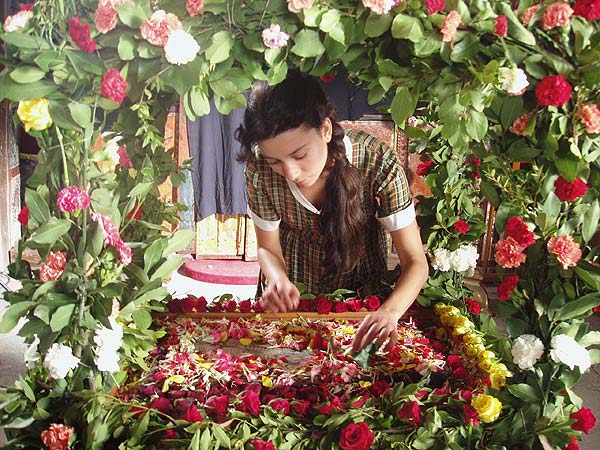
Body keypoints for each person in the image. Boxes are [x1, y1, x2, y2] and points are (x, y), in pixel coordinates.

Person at [236, 71, 428, 353]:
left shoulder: (377, 161)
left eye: (300, 155)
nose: (290, 172)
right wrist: (277, 278)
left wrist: (390, 312)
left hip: (362, 299)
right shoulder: (259, 170)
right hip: (294, 299)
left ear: (325, 129)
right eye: (275, 161)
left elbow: (415, 262)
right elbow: (268, 248)